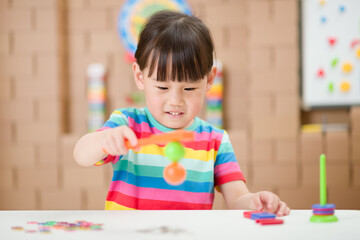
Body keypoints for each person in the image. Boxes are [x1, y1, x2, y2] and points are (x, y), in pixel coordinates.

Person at [73, 10, 290, 215]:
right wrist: (105, 140)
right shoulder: (127, 125)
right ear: (140, 77)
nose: (175, 101)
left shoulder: (215, 141)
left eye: (189, 88)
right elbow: (81, 154)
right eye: (163, 88)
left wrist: (254, 202)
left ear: (209, 79)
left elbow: (236, 199)